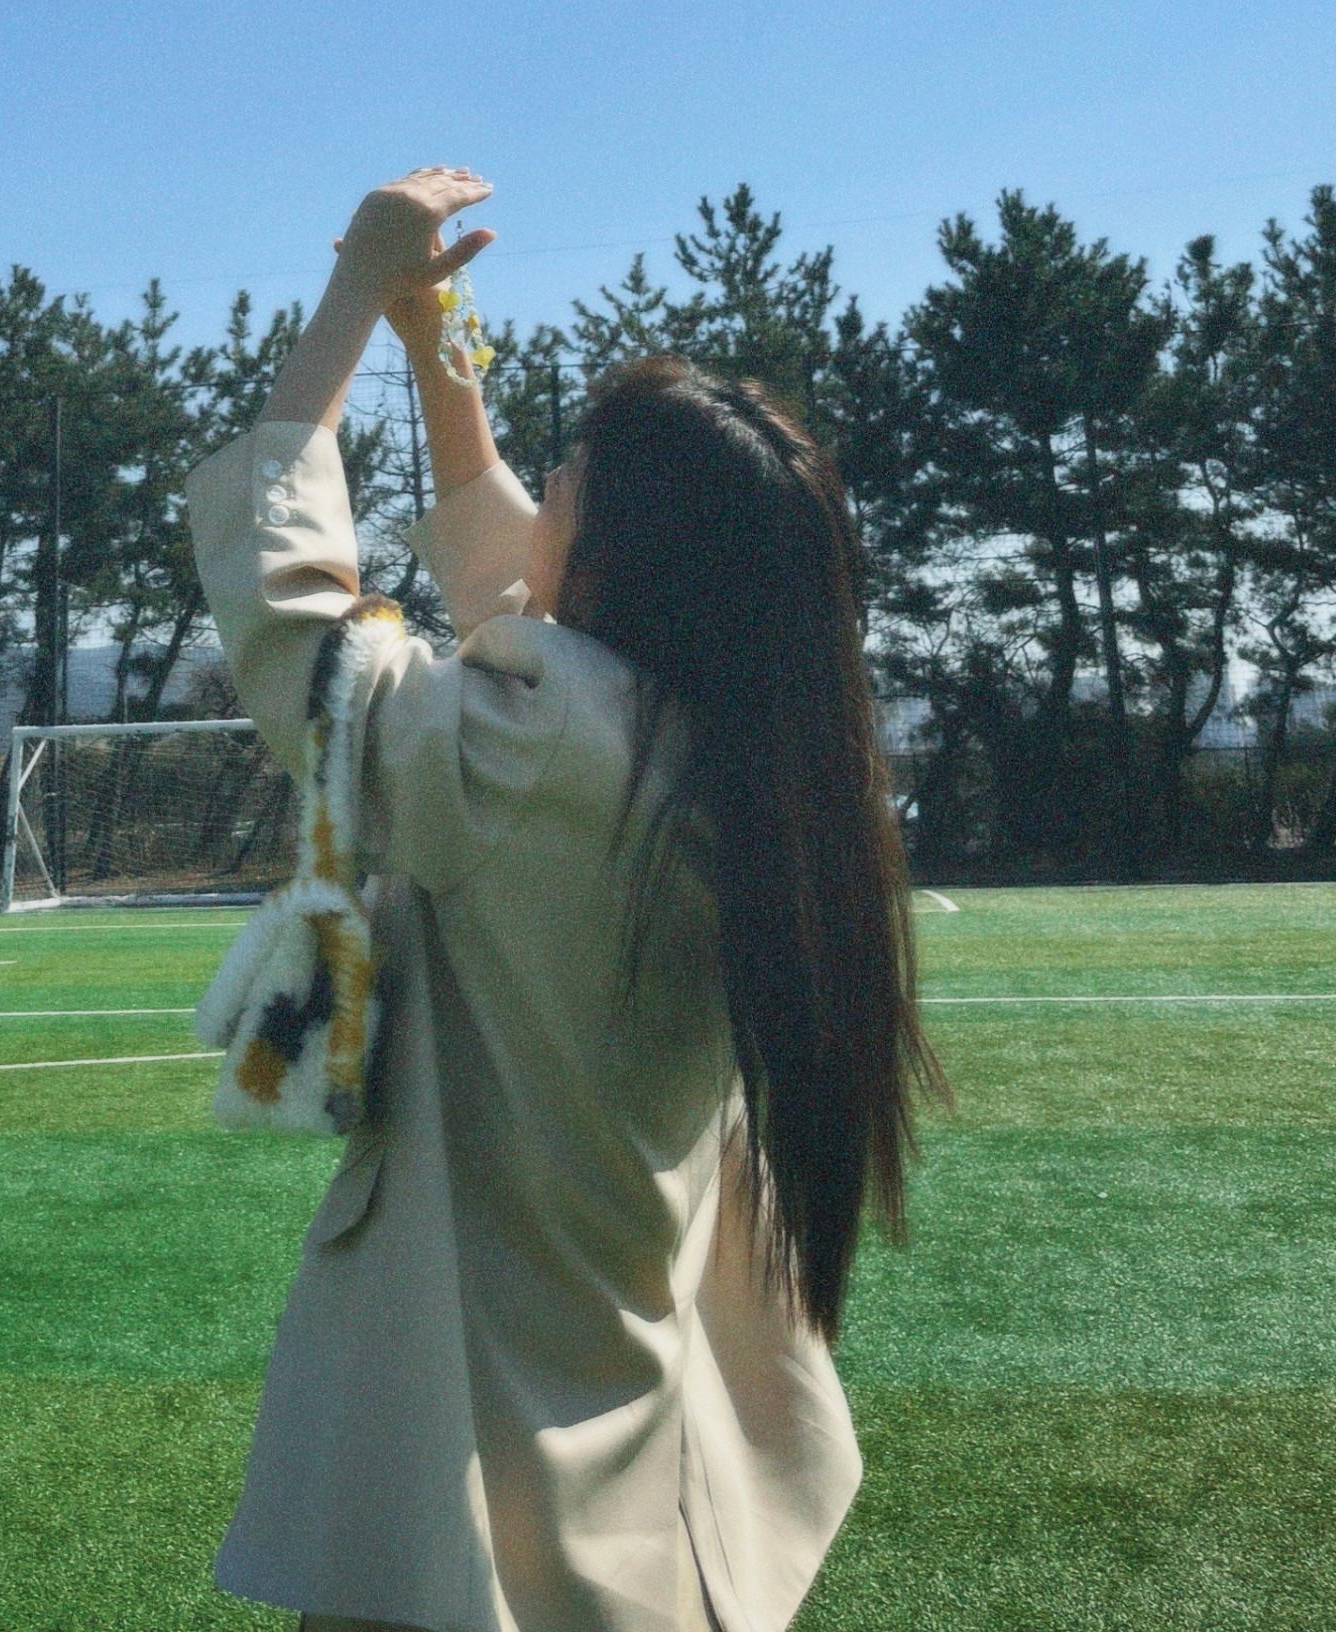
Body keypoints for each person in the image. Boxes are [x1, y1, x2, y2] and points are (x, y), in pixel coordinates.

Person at [182, 166, 952, 1632]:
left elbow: (298, 635)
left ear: (621, 553)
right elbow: (512, 592)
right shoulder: (725, 746)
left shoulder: (543, 747)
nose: (544, 494)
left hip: (479, 1436)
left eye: (572, 477)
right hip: (626, 1394)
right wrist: (439, 355)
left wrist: (353, 295)